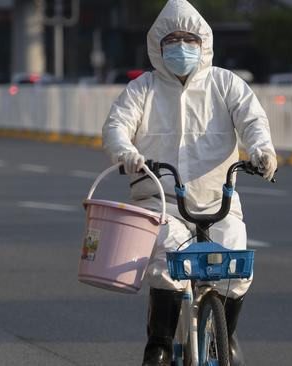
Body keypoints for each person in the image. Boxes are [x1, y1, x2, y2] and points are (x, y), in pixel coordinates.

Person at [102, 1, 276, 365]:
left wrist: (262, 151)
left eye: (189, 39)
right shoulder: (143, 88)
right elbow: (116, 126)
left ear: (204, 44)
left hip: (219, 199)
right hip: (160, 198)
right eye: (173, 39)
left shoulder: (226, 83)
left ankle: (224, 339)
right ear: (157, 45)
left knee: (235, 267)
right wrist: (126, 154)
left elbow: (253, 120)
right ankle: (160, 345)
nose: (181, 47)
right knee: (167, 262)